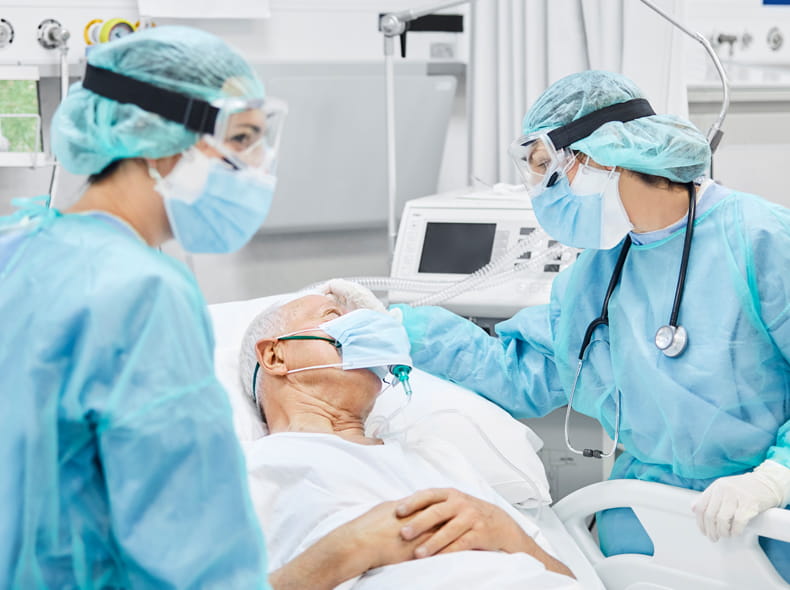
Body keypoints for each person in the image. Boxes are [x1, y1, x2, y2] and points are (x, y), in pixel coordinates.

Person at [0, 27, 439, 590]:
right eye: (242, 137)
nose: (257, 166)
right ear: (157, 135)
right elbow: (195, 548)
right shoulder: (143, 291)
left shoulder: (18, 250)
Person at [391, 70, 790, 581]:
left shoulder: (761, 240)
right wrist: (400, 331)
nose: (540, 192)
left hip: (767, 522)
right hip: (643, 526)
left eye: (544, 166)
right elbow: (527, 372)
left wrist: (772, 480)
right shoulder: (596, 273)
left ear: (603, 157)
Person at [238, 288, 579, 589]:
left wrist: (505, 530)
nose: (365, 331)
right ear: (275, 356)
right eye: (333, 316)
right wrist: (349, 548)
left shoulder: (437, 457)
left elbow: (566, 577)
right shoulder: (247, 472)